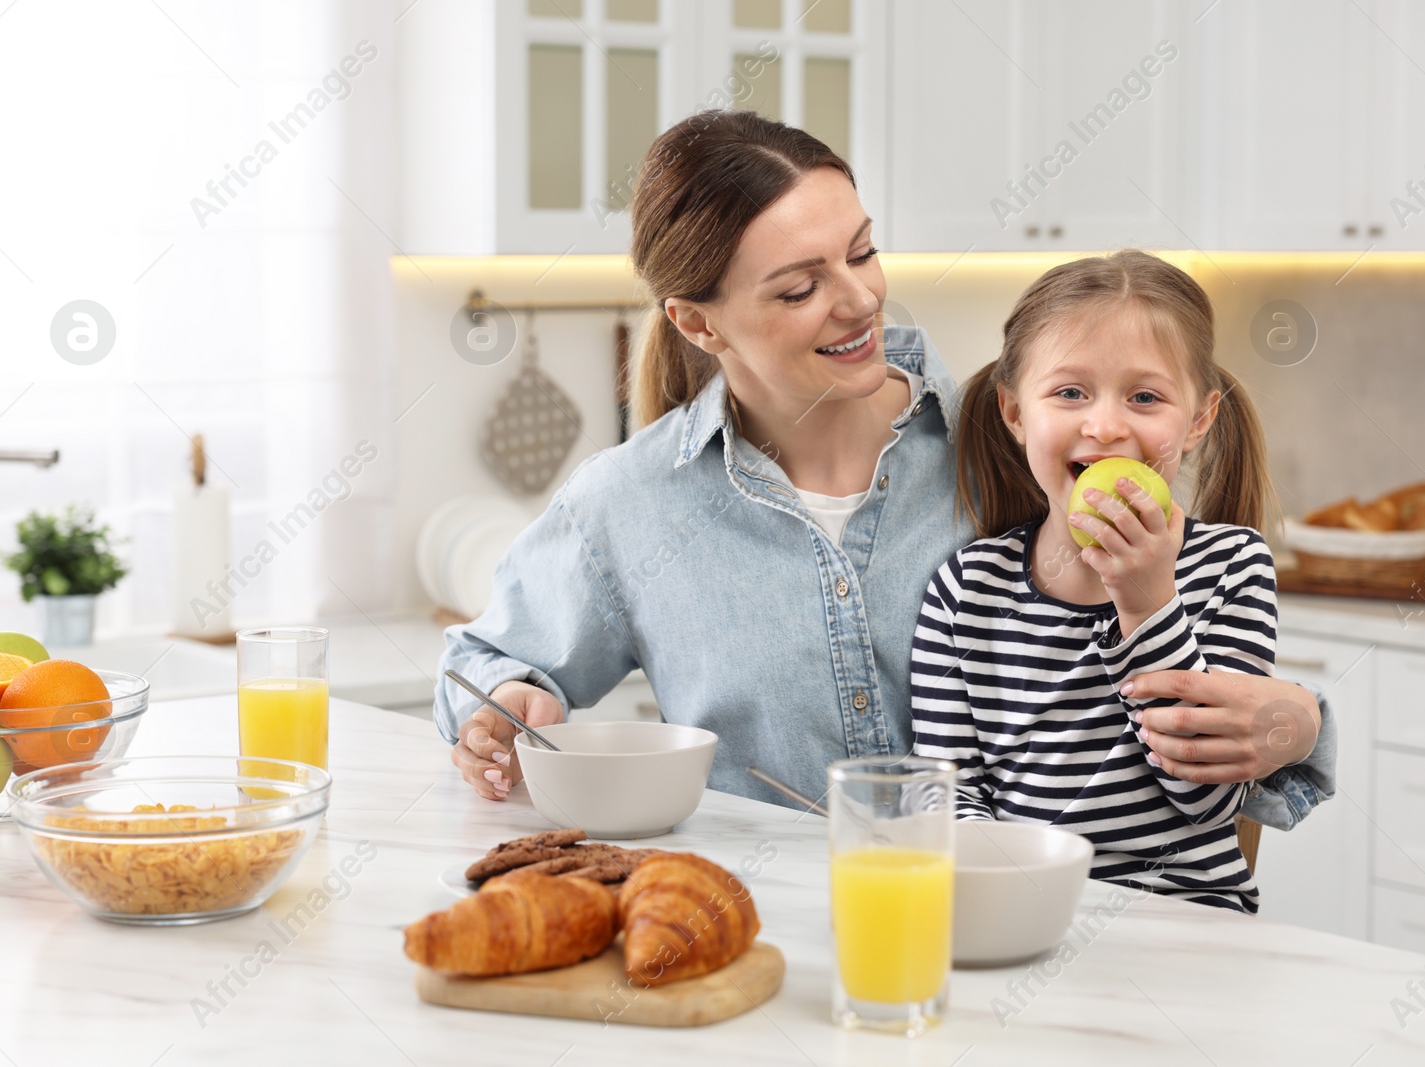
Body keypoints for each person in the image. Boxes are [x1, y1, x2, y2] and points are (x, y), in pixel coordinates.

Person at [434, 110, 1332, 831]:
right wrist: (505, 708)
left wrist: (1302, 723)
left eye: (861, 252)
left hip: (1023, 930)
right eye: (799, 288)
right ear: (699, 324)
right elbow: (485, 667)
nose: (861, 297)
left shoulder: (1018, 444)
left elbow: (1184, 685)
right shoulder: (630, 505)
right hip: (779, 950)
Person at [910, 250, 1281, 912]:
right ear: (1015, 412)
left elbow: (1210, 796)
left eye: (1144, 396)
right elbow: (947, 794)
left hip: (1189, 923)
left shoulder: (1234, 566)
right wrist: (1017, 898)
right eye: (1070, 392)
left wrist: (1147, 603)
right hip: (1022, 910)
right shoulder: (966, 589)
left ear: (1197, 420)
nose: (1106, 425)